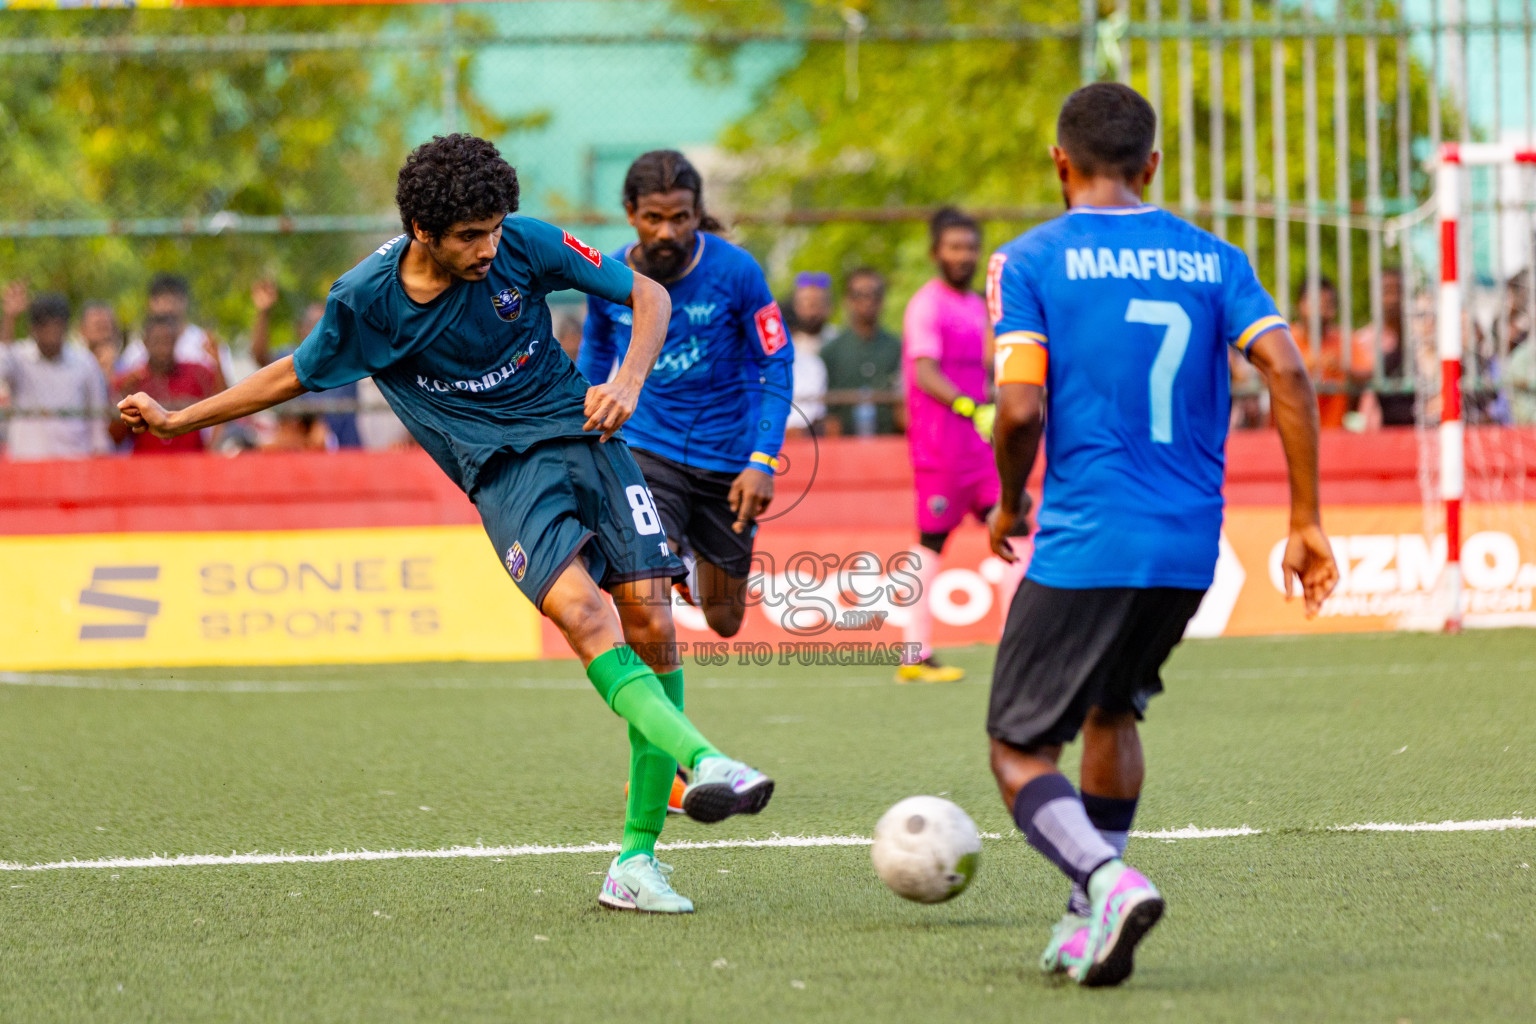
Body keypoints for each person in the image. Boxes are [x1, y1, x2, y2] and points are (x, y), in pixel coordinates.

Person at [118, 134, 774, 915]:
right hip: (505, 473)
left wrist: (628, 380)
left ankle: (635, 863)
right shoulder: (367, 302)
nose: (491, 248)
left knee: (654, 627)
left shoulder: (523, 244)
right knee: (582, 613)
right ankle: (704, 759)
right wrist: (179, 419)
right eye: (471, 236)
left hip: (588, 438)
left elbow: (650, 297)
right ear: (423, 231)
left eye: (497, 228)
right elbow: (292, 371)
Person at [984, 83, 1338, 987]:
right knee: (1113, 710)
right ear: (1152, 166)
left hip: (1087, 542)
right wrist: (1305, 521)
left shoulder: (1029, 260)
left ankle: (1105, 879)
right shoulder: (1216, 259)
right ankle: (1084, 921)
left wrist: (1009, 502)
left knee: (1019, 748)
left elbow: (1018, 407)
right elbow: (1290, 373)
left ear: (1059, 163)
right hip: (1188, 548)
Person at [580, 149, 792, 642]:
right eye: (653, 218)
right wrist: (579, 433)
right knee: (646, 585)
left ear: (697, 214)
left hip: (728, 460)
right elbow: (594, 355)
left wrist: (762, 461)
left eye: (680, 218)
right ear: (631, 214)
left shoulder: (737, 271)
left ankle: (693, 556)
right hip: (647, 451)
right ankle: (656, 717)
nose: (666, 232)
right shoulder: (607, 277)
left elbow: (777, 361)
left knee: (724, 620)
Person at [897, 207, 997, 684]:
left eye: (970, 247)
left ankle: (1035, 642)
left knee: (1014, 525)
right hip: (939, 449)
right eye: (954, 247)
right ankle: (913, 654)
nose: (964, 255)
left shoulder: (979, 305)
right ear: (936, 252)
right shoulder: (926, 305)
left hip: (980, 448)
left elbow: (991, 365)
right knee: (931, 542)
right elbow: (924, 372)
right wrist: (968, 405)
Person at [0, 289, 111, 460]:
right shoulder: (19, 359)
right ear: (34, 329)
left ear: (65, 327)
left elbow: (97, 417)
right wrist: (9, 318)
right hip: (27, 466)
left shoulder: (84, 362)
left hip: (74, 465)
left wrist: (100, 454)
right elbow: (2, 366)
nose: (52, 336)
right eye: (46, 329)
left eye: (57, 328)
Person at [251, 280, 362, 448]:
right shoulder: (290, 358)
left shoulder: (347, 358)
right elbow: (260, 356)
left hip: (345, 452)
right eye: (314, 325)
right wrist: (264, 311)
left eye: (327, 324)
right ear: (300, 329)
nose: (322, 331)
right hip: (300, 452)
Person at [111, 314, 222, 455]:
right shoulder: (131, 381)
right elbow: (115, 437)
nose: (163, 348)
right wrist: (122, 397)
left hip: (191, 462)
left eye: (168, 341)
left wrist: (218, 362)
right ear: (145, 342)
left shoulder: (197, 373)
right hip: (146, 465)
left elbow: (223, 401)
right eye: (157, 341)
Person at [822, 267, 904, 435]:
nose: (868, 301)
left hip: (890, 444)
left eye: (875, 295)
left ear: (882, 300)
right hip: (843, 448)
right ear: (848, 300)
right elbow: (828, 414)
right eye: (859, 295)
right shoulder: (831, 351)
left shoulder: (898, 348)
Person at [120, 274, 233, 387]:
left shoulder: (207, 345)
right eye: (161, 300)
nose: (167, 307)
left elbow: (225, 392)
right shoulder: (134, 352)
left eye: (173, 299)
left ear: (185, 301)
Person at [785, 272, 832, 435]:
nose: (811, 311)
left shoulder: (836, 341)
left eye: (817, 303)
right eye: (806, 303)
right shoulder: (787, 346)